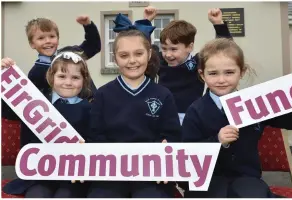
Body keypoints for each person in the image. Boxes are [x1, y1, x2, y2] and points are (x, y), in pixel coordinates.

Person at [181, 38, 292, 198]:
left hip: (247, 178)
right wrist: (217, 142)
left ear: (241, 72)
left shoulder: (255, 102)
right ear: (202, 74)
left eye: (229, 72)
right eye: (213, 73)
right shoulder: (195, 111)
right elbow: (188, 156)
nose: (221, 80)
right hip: (208, 180)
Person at [86, 13, 181, 198]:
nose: (132, 61)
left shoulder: (163, 95)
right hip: (110, 174)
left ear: (150, 53)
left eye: (138, 53)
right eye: (124, 55)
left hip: (151, 174)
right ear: (115, 58)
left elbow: (172, 136)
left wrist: (166, 152)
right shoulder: (103, 94)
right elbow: (95, 136)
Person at [2, 52, 93, 198]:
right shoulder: (33, 104)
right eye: (62, 76)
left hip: (72, 178)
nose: (68, 83)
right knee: (37, 195)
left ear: (84, 80)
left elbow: (95, 141)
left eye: (75, 77)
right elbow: (7, 111)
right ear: (51, 77)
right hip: (39, 175)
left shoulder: (89, 109)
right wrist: (3, 73)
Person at [144, 7, 232, 125]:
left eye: (174, 49)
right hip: (164, 116)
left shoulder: (198, 62)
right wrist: (146, 21)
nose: (168, 54)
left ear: (189, 47)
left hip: (192, 117)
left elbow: (222, 48)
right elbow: (142, 48)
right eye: (164, 49)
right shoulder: (160, 61)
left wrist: (218, 24)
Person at [1, 15, 100, 120]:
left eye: (52, 36)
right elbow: (28, 104)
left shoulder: (72, 53)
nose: (48, 41)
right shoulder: (35, 73)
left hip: (94, 110)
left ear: (58, 38)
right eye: (41, 38)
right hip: (67, 121)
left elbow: (93, 46)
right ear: (32, 44)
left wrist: (88, 25)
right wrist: (4, 71)